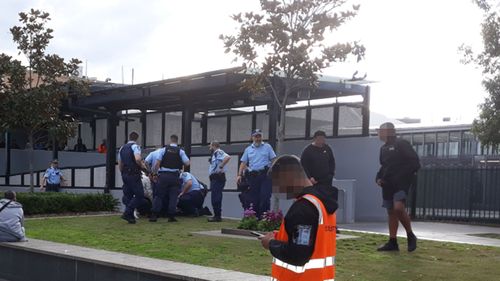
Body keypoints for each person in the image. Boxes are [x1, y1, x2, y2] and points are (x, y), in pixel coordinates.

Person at [259, 155, 337, 280]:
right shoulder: (321, 204)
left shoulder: (303, 208)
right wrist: (280, 236)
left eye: (277, 182)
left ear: (288, 176)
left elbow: (298, 254)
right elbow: (311, 240)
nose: (277, 188)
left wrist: (271, 244)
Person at [376, 122, 420, 252]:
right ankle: (392, 242)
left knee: (398, 208)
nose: (378, 133)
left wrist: (402, 177)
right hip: (387, 184)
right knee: (391, 211)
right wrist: (378, 178)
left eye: (380, 130)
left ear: (388, 131)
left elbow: (415, 163)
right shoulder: (383, 148)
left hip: (401, 184)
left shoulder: (401, 144)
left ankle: (410, 235)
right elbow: (384, 166)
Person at [151, 134, 190, 222]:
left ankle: (154, 215)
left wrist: (154, 174)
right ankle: (171, 216)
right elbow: (187, 163)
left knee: (159, 195)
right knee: (173, 196)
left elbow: (157, 163)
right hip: (175, 176)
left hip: (163, 176)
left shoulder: (164, 150)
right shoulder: (181, 151)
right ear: (177, 141)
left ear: (170, 140)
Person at [237, 129, 276, 218]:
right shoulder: (248, 149)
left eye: (259, 136)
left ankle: (265, 218)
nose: (258, 138)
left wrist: (274, 171)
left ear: (262, 137)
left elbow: (273, 160)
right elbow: (243, 162)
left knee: (265, 197)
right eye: (256, 136)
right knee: (253, 199)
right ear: (252, 137)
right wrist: (239, 175)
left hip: (265, 175)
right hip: (253, 176)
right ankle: (255, 218)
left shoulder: (267, 147)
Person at [118, 131, 148, 224]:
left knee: (128, 195)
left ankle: (130, 217)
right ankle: (127, 212)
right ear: (137, 138)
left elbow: (120, 163)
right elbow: (138, 159)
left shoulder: (122, 148)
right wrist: (143, 167)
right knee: (139, 195)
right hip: (133, 174)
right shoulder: (135, 146)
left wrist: (123, 172)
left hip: (124, 174)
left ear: (129, 138)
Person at [300, 130, 338, 200]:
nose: (321, 141)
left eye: (323, 139)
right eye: (319, 139)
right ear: (314, 139)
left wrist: (331, 174)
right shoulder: (308, 150)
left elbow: (331, 162)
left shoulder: (327, 148)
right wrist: (309, 177)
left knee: (326, 199)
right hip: (314, 181)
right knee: (316, 199)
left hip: (326, 181)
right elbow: (303, 165)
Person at [207, 141, 231, 222]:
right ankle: (216, 215)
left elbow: (227, 157)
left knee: (216, 197)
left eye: (210, 146)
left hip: (218, 178)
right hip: (214, 178)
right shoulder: (215, 154)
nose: (209, 148)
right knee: (215, 197)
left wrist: (221, 166)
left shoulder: (218, 152)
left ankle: (217, 216)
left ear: (214, 146)